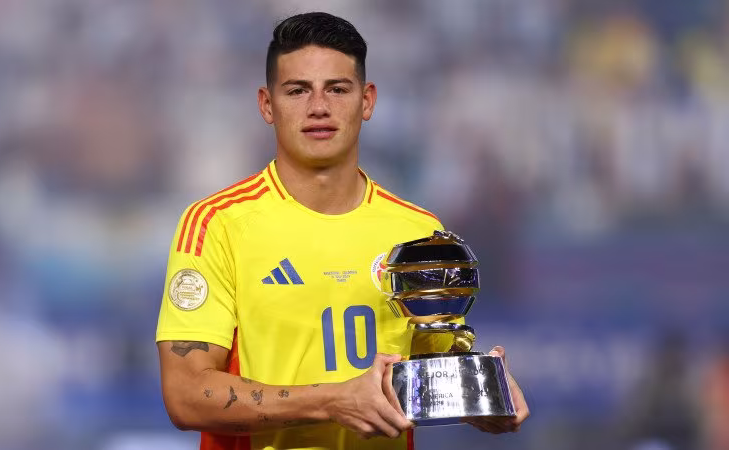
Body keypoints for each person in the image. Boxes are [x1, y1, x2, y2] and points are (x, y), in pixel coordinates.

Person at [156, 12, 529, 450]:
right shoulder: (217, 225)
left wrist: (479, 392)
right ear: (267, 105)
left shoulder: (418, 231)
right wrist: (332, 401)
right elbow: (185, 395)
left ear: (367, 101)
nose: (319, 107)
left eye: (337, 89)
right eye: (297, 90)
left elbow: (432, 369)